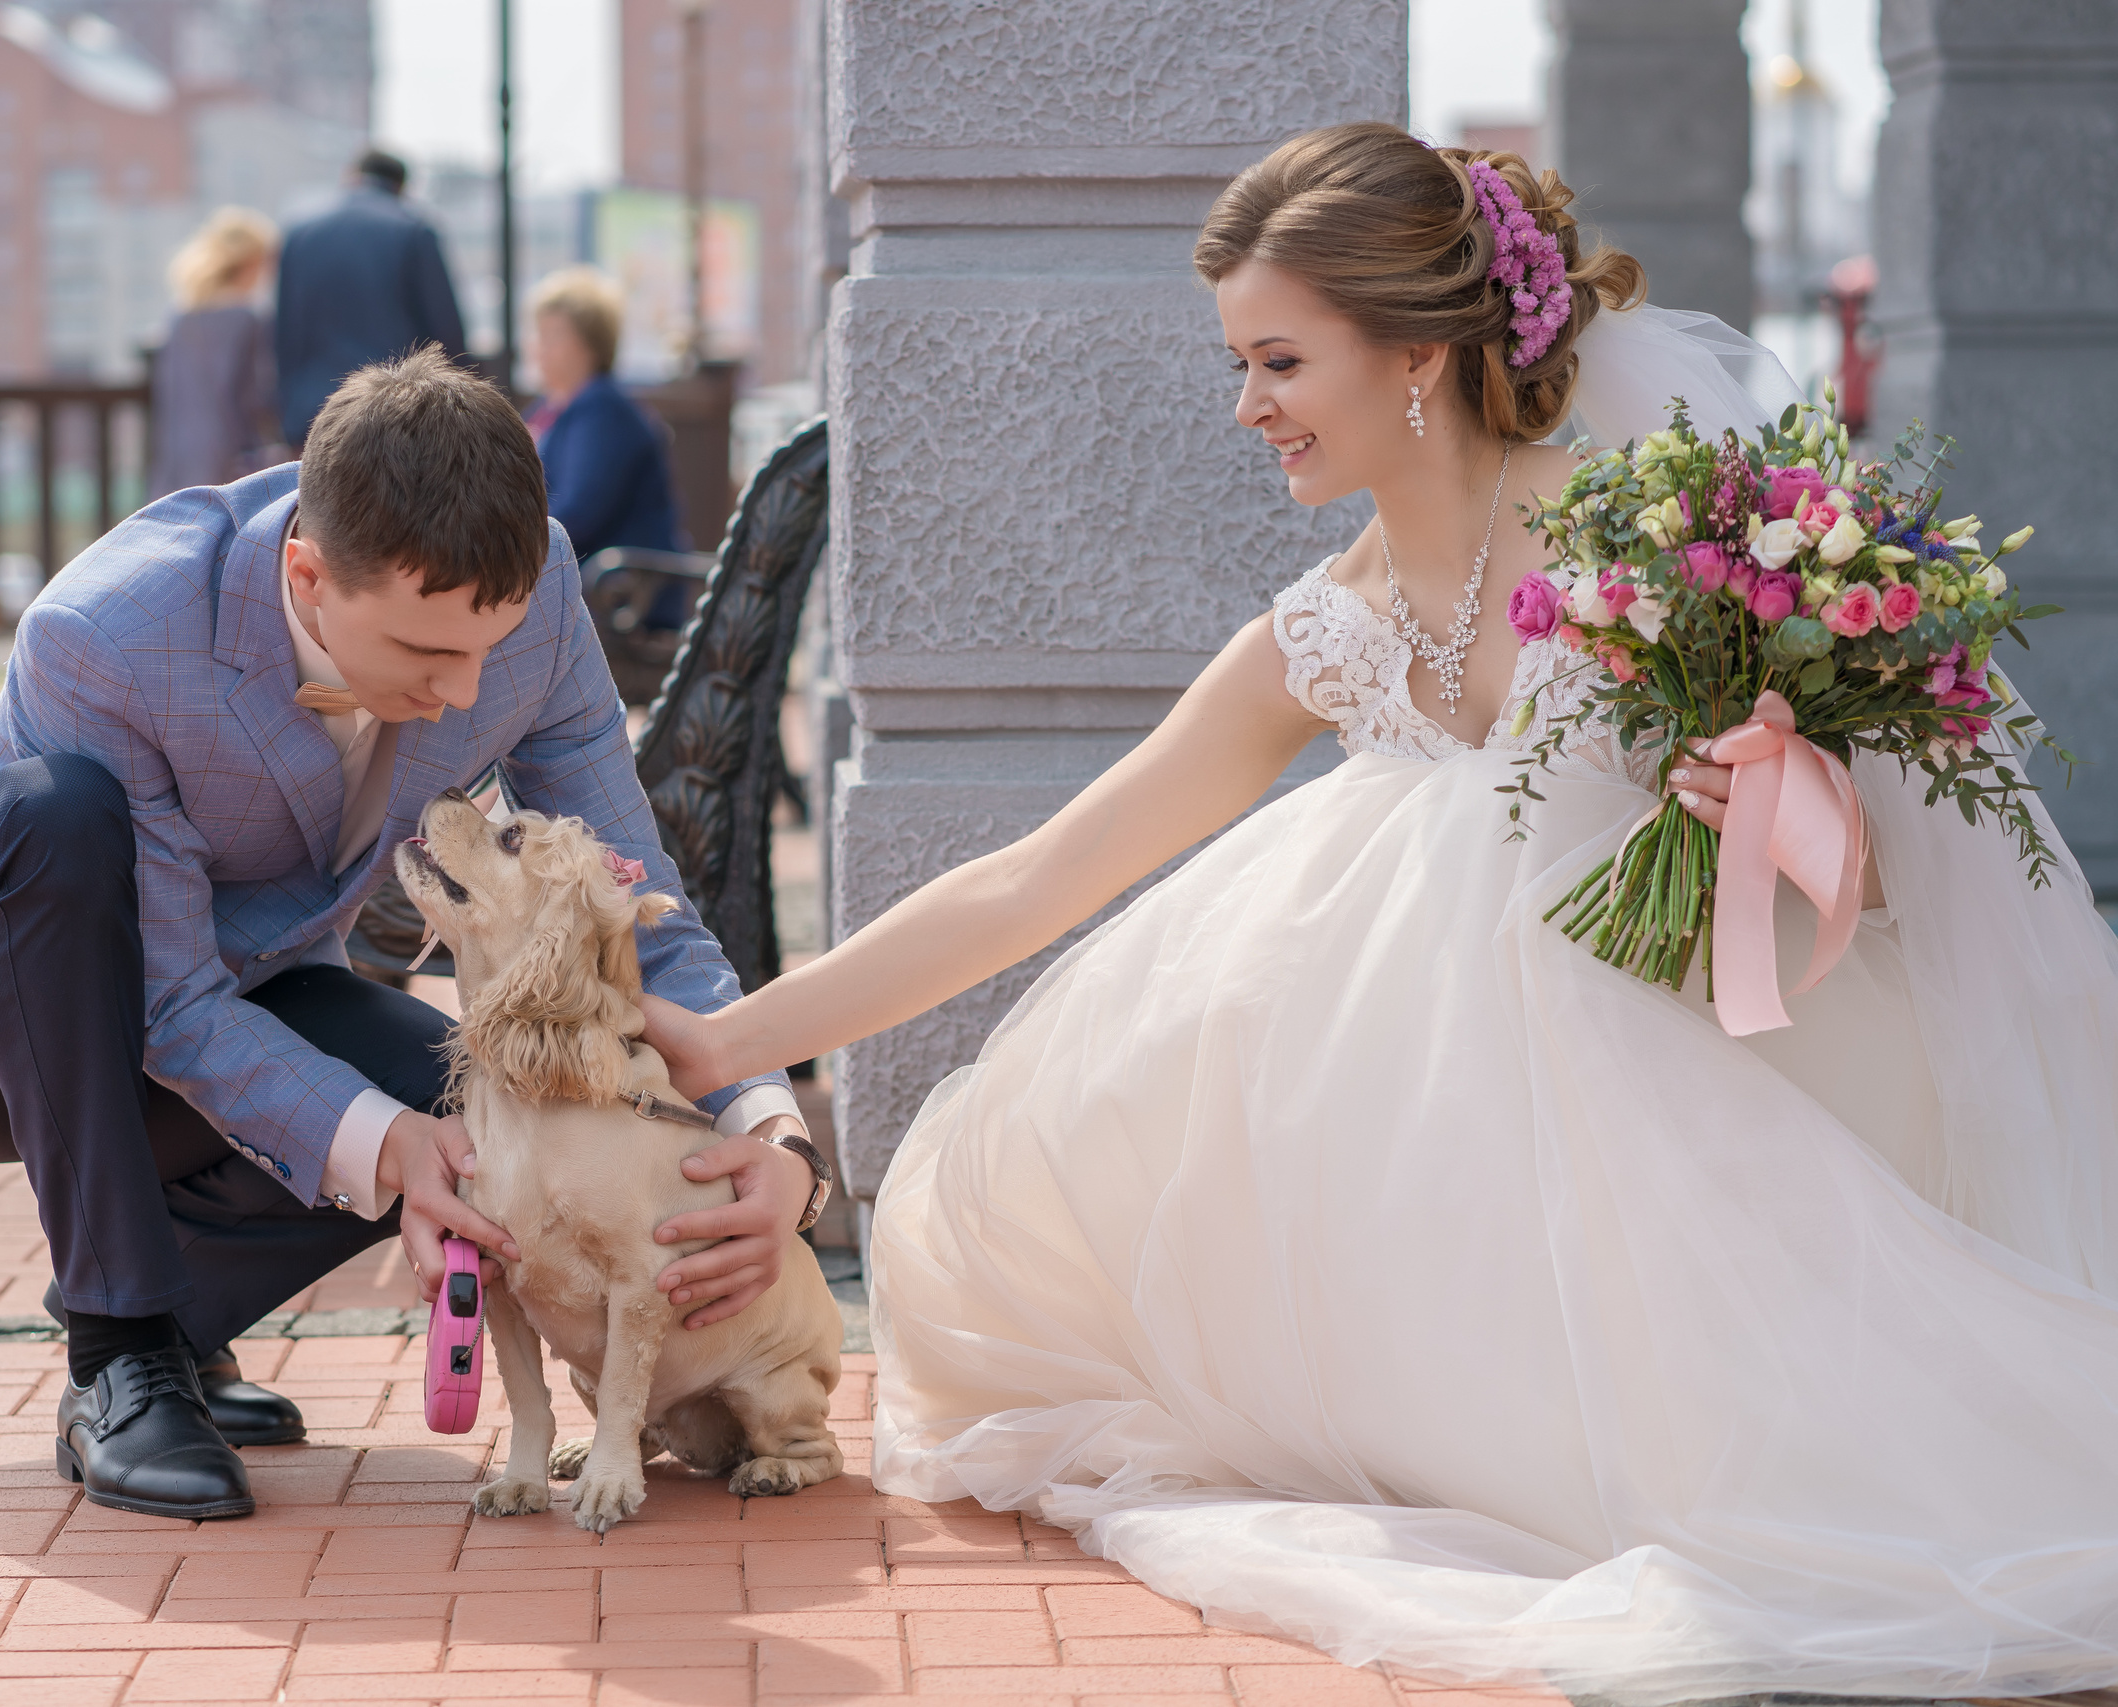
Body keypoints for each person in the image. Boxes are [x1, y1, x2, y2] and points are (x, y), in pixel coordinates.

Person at [635, 122, 2118, 1701]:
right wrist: (730, 1034)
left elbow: (1883, 867)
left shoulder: (1657, 543)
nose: (1247, 406)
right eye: (1239, 361)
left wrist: (1764, 797)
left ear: (1415, 352)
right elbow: (1041, 875)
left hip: (1688, 1109)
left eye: (1278, 359)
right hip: (1428, 1153)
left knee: (1817, 1490)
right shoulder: (1322, 630)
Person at [0, 349, 825, 1522]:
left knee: (466, 1113)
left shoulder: (534, 590)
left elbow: (629, 883)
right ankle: (120, 1353)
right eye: (422, 654)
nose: (462, 694)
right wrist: (378, 1148)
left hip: (237, 995)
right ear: (306, 574)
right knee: (58, 813)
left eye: (483, 652)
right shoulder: (107, 633)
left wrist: (771, 1128)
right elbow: (167, 996)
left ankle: (178, 1328)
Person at [272, 149, 467, 450]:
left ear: (350, 178)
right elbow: (445, 334)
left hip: (312, 416)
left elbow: (284, 332)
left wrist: (287, 413)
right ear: (401, 187)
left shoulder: (299, 234)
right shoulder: (413, 230)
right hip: (393, 416)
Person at [525, 267, 690, 568]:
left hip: (613, 594)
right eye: (539, 333)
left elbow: (576, 518)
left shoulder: (603, 411)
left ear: (590, 344)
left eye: (554, 334)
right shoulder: (546, 410)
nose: (540, 347)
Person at [147, 207, 282, 498]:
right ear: (249, 263)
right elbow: (258, 395)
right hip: (234, 455)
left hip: (179, 454)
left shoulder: (181, 317)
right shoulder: (249, 318)